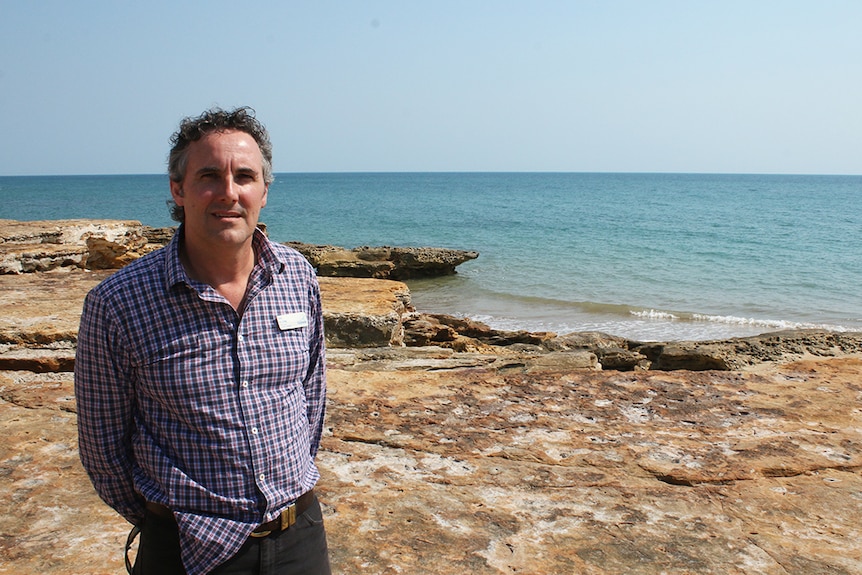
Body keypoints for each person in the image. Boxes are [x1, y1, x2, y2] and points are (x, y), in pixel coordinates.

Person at [74, 107, 331, 575]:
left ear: (264, 191)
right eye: (210, 175)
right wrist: (164, 522)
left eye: (245, 177)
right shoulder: (117, 304)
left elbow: (311, 399)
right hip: (191, 549)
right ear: (178, 189)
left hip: (300, 537)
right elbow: (102, 449)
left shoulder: (298, 277)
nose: (229, 193)